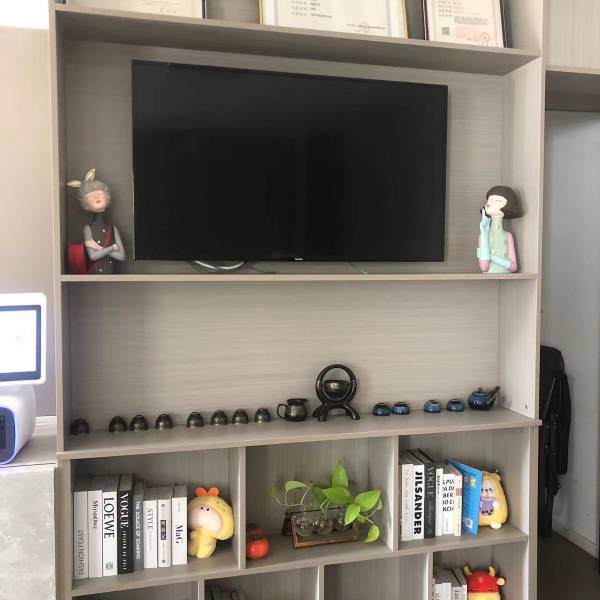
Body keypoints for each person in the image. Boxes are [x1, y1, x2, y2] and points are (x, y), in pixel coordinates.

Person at [67, 169, 125, 274]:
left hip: (111, 276)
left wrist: (99, 247)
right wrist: (112, 247)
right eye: (91, 196)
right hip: (94, 275)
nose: (97, 197)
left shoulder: (112, 228)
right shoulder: (88, 229)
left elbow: (121, 256)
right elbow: (93, 256)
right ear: (85, 202)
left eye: (100, 193)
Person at [477, 185, 523, 274]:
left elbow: (514, 267)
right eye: (489, 200)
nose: (489, 203)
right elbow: (484, 267)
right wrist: (484, 233)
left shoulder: (508, 236)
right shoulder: (483, 235)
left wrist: (489, 256)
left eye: (497, 201)